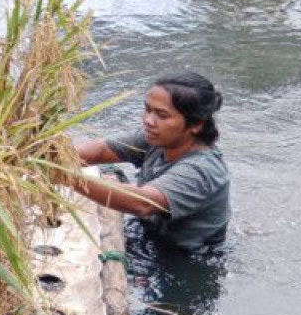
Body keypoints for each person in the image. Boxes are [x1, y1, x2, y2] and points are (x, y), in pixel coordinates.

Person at [63, 72, 230, 253]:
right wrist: (51, 158)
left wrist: (64, 176)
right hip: (152, 236)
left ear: (196, 124)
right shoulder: (157, 140)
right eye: (148, 109)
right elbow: (103, 150)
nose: (148, 121)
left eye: (162, 115)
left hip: (190, 259)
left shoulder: (200, 171)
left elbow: (142, 203)